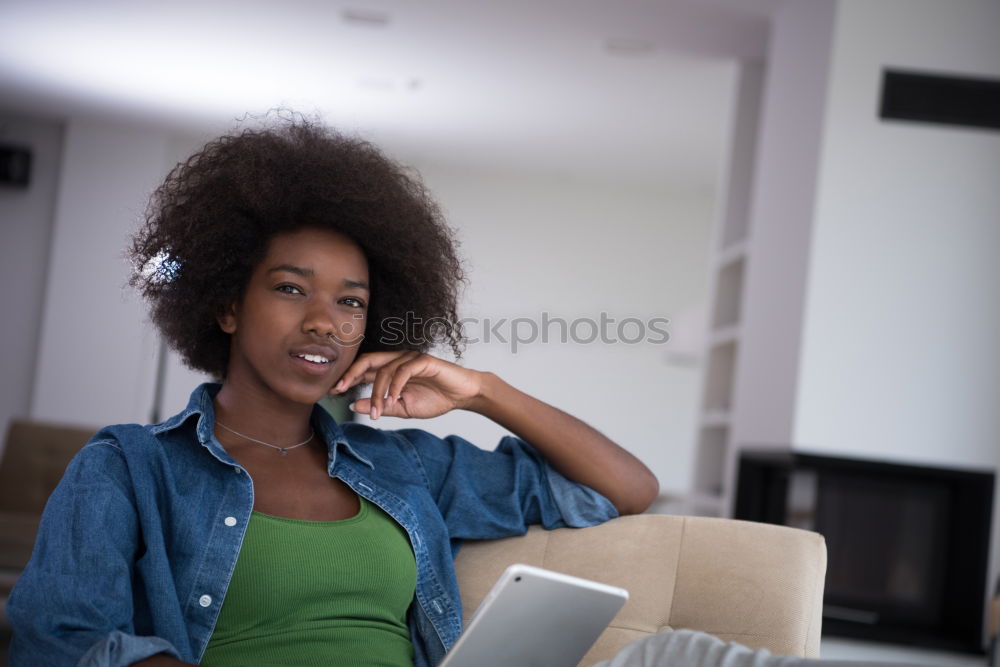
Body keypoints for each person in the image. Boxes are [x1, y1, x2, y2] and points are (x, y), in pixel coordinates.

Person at [6, 116, 659, 667]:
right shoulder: (128, 465)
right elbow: (57, 636)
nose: (324, 320)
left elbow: (624, 488)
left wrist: (483, 391)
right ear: (228, 303)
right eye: (291, 287)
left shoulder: (407, 466)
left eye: (351, 301)